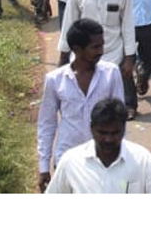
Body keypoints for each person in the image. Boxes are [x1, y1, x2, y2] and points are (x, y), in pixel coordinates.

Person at [36, 18, 125, 191]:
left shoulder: (111, 73)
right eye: (95, 47)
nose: (101, 51)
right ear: (77, 49)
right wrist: (44, 167)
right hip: (67, 159)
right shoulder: (55, 80)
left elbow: (120, 120)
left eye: (101, 45)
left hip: (105, 160)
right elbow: (46, 123)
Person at [44, 98, 151, 194]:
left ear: (123, 129)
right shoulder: (71, 162)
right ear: (92, 128)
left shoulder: (141, 159)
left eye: (115, 133)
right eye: (102, 133)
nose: (108, 139)